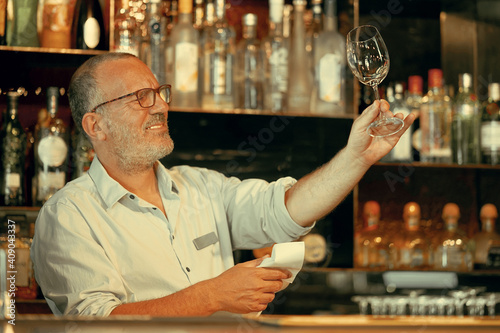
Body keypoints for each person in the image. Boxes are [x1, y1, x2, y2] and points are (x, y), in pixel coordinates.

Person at [31, 53, 414, 317]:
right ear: (96, 126)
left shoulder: (203, 187)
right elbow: (92, 323)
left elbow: (285, 209)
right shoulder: (68, 216)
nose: (161, 106)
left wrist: (356, 156)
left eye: (160, 93)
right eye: (140, 98)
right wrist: (212, 295)